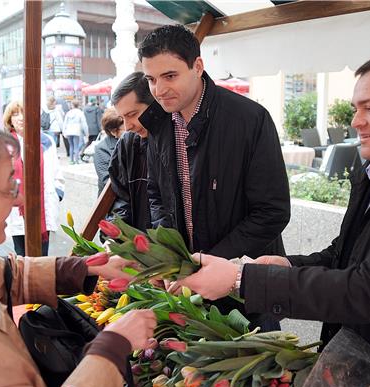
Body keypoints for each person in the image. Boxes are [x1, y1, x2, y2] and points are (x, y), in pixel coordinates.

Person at [171, 49, 370, 387]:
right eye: (356, 109)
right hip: (368, 368)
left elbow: (369, 289)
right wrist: (287, 265)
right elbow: (345, 255)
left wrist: (241, 279)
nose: (356, 121)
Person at [0, 112, 157, 387]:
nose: (18, 198)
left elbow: (5, 273)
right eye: (8, 187)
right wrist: (111, 348)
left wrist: (87, 267)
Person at [138, 25, 290, 330]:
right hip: (188, 282)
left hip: (244, 279)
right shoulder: (157, 122)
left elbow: (272, 211)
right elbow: (157, 194)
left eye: (170, 76)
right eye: (151, 80)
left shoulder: (249, 119)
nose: (159, 90)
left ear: (198, 66)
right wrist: (170, 254)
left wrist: (207, 262)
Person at [2, 101, 65, 256]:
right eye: (16, 114)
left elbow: (57, 174)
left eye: (24, 112)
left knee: (42, 256)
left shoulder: (46, 141)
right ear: (10, 120)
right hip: (17, 210)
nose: (21, 117)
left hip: (43, 206)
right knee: (21, 256)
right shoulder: (4, 145)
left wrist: (57, 194)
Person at [108, 71, 153, 232]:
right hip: (138, 246)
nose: (127, 126)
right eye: (122, 118)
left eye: (132, 115)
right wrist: (117, 236)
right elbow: (121, 198)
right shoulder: (128, 143)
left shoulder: (177, 138)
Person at [93, 107, 125, 197]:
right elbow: (107, 181)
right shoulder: (102, 149)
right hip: (114, 205)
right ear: (113, 131)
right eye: (125, 128)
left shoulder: (135, 140)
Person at [63, 99, 88, 164]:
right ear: (78, 105)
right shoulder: (80, 112)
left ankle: (71, 160)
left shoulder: (68, 113)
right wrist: (86, 133)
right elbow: (84, 123)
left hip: (69, 130)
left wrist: (64, 132)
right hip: (76, 131)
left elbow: (65, 123)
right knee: (76, 146)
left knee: (71, 145)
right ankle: (76, 160)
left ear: (72, 105)